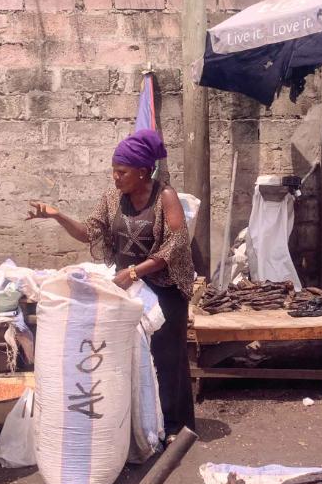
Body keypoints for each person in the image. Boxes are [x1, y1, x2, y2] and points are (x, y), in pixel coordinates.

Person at [27, 129, 196, 437]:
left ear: (143, 172)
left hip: (164, 286)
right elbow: (89, 232)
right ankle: (141, 426)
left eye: (122, 172)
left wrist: (134, 272)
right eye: (114, 171)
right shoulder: (112, 198)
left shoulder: (165, 196)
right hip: (129, 288)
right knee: (130, 356)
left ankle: (175, 427)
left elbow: (176, 244)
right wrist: (57, 216)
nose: (115, 177)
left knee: (166, 356)